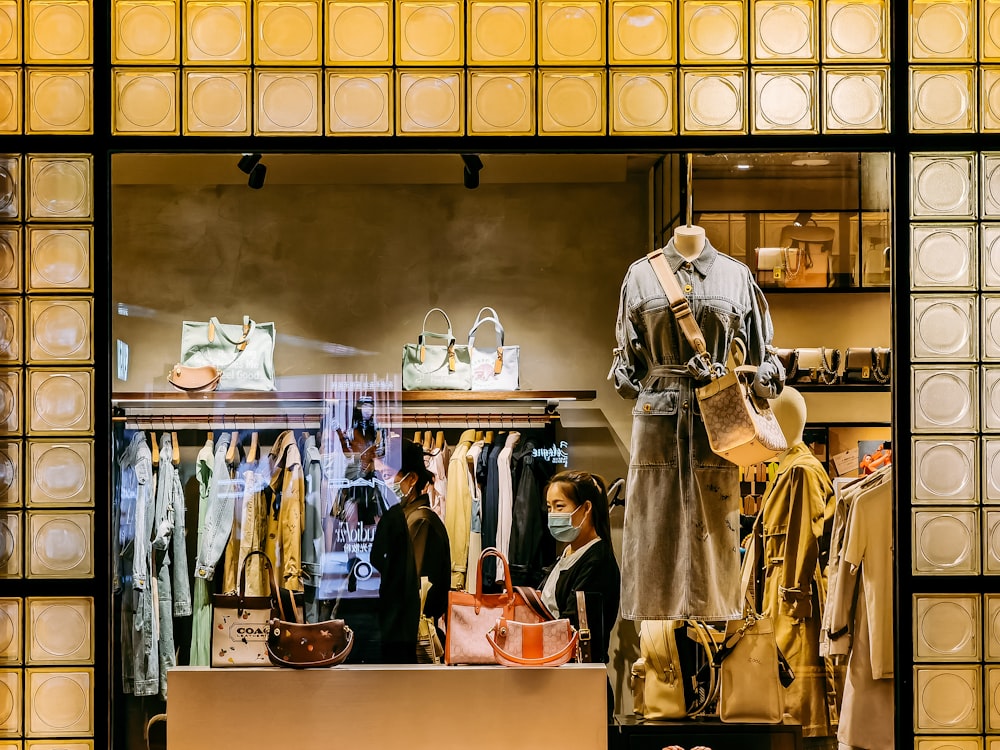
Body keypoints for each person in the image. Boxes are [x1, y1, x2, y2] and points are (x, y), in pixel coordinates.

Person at [611, 226, 784, 621]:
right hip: (658, 420)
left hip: (716, 415)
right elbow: (627, 369)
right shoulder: (640, 274)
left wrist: (750, 378)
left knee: (716, 526)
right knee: (653, 524)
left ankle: (713, 620)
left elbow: (764, 357)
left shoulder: (736, 275)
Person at [538, 470, 621, 665]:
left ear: (586, 509)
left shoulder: (597, 560)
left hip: (578, 677)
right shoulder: (568, 552)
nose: (552, 515)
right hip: (557, 669)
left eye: (559, 507)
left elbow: (574, 626)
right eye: (549, 507)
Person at [396, 439, 451, 641]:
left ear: (412, 479)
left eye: (387, 476)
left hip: (416, 639)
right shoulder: (408, 518)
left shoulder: (420, 522)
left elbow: (414, 592)